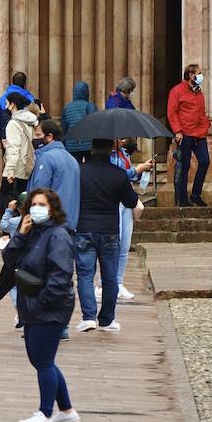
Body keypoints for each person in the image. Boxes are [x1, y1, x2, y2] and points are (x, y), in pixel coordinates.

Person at [8, 188, 81, 422]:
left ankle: (45, 413)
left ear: (52, 209)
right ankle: (67, 410)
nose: (37, 208)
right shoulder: (33, 232)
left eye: (42, 204)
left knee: (43, 361)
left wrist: (42, 303)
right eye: (34, 204)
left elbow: (61, 275)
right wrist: (20, 233)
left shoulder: (58, 235)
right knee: (41, 359)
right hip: (32, 306)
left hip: (49, 307)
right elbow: (10, 258)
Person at [74, 140, 140, 333]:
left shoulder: (80, 171)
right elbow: (131, 201)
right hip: (110, 230)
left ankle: (88, 317)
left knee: (85, 275)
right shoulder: (118, 174)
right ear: (111, 149)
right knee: (110, 277)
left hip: (84, 227)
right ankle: (107, 319)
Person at [110, 139, 153, 301]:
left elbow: (130, 178)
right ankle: (104, 283)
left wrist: (142, 169)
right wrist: (137, 169)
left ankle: (119, 282)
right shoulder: (108, 156)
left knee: (124, 245)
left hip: (127, 200)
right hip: (113, 201)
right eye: (119, 138)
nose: (123, 140)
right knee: (114, 243)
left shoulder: (124, 154)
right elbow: (116, 176)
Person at [168, 64, 211, 208]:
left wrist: (206, 125)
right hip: (185, 134)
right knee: (184, 166)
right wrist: (178, 131)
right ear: (191, 75)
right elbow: (172, 113)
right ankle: (183, 199)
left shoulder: (198, 92)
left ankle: (195, 195)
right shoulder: (177, 91)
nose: (200, 76)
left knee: (204, 161)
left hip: (199, 134)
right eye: (199, 73)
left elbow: (201, 112)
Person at [28, 119, 81, 230]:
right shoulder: (72, 160)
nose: (35, 138)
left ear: (49, 137)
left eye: (38, 135)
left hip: (51, 223)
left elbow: (39, 190)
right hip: (70, 223)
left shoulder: (46, 158)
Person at [1, 91, 38, 210]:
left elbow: (14, 149)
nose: (5, 106)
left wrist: (9, 170)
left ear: (12, 104)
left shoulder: (13, 123)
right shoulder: (30, 121)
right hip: (27, 165)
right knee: (22, 201)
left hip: (16, 169)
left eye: (7, 103)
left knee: (5, 202)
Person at [61, 81, 97, 163]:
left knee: (75, 169)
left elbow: (64, 127)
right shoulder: (90, 106)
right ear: (87, 92)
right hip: (89, 144)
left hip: (71, 144)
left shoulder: (67, 107)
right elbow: (96, 124)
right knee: (90, 168)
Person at [0, 71, 33, 144]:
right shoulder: (30, 98)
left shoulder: (3, 98)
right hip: (25, 137)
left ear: (12, 82)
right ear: (25, 84)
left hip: (6, 137)